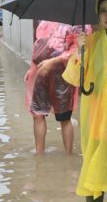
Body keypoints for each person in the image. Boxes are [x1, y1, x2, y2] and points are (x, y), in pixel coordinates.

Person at [63, 0, 107, 202]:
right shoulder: (90, 41)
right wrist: (80, 52)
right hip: (96, 116)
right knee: (93, 163)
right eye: (103, 11)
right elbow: (73, 78)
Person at [25, 20, 79, 155]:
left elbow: (77, 50)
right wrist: (32, 68)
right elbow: (38, 46)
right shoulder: (43, 22)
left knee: (64, 117)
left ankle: (68, 156)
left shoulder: (76, 22)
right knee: (37, 114)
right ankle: (39, 154)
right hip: (40, 73)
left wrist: (53, 61)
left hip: (63, 75)